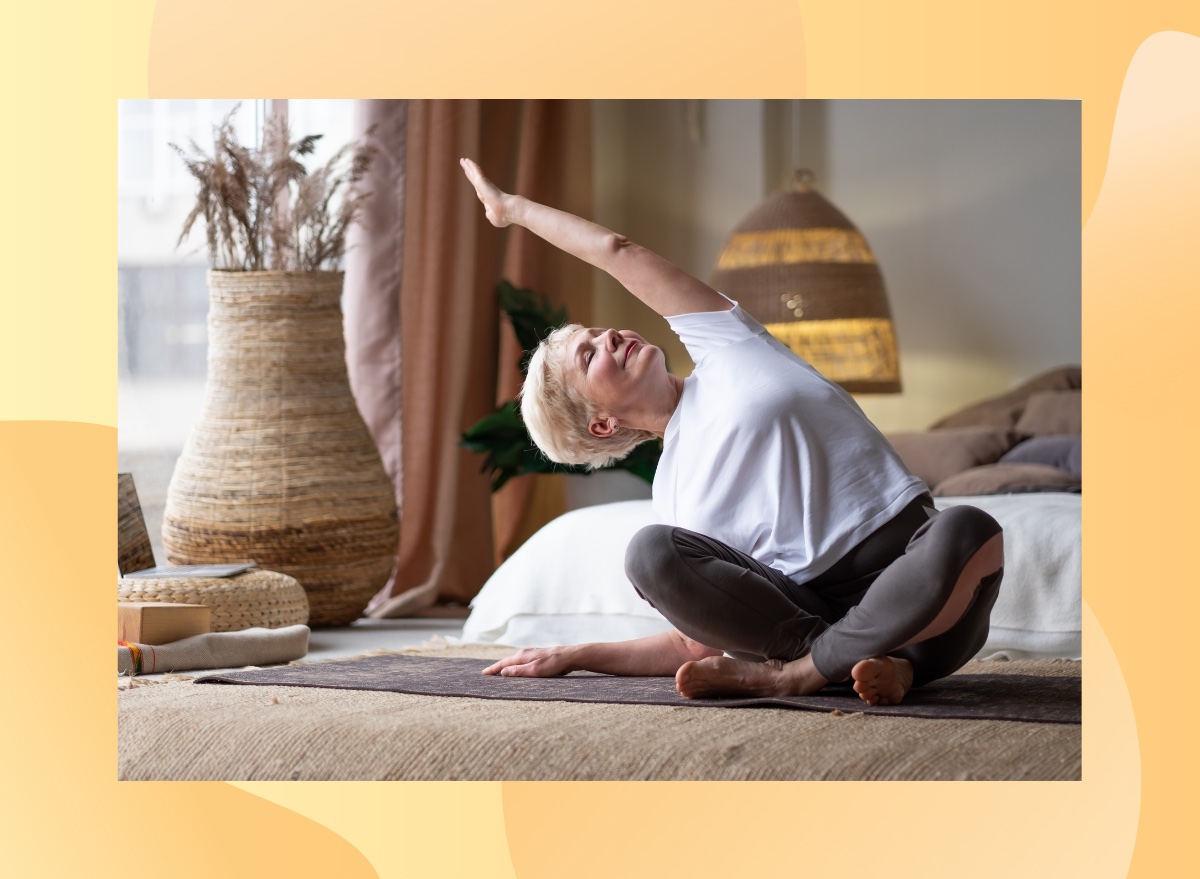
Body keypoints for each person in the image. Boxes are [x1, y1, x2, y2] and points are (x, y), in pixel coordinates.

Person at [460, 157, 1004, 706]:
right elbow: (692, 642)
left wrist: (513, 210)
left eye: (600, 331)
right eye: (589, 353)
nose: (610, 337)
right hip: (812, 611)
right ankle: (856, 662)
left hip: (919, 576)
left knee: (968, 530)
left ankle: (801, 675)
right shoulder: (673, 495)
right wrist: (576, 656)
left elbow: (616, 252)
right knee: (648, 553)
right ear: (601, 423)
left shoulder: (726, 346)